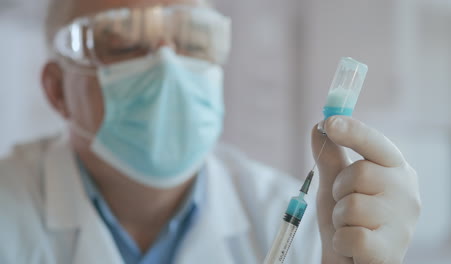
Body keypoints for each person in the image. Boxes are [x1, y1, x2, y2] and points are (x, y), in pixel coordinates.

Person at [0, 0, 421, 263]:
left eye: (193, 43)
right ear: (57, 90)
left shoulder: (308, 229)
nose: (167, 66)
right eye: (125, 45)